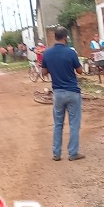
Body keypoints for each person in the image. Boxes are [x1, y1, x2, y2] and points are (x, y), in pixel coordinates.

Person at [41, 27, 84, 162]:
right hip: (72, 92)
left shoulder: (47, 53)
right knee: (74, 124)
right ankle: (73, 153)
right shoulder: (70, 52)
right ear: (66, 38)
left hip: (58, 93)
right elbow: (80, 71)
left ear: (55, 37)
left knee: (58, 124)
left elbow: (43, 73)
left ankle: (56, 154)